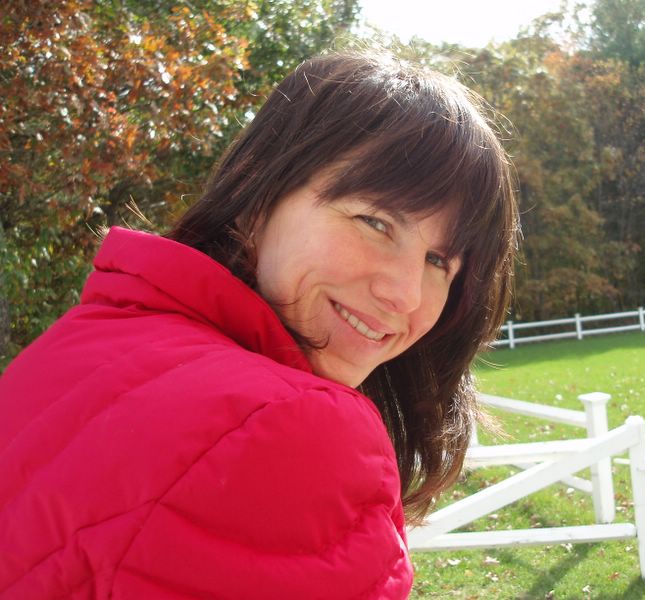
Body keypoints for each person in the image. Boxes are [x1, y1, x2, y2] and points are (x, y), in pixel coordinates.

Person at [0, 52, 518, 599]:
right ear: (257, 197)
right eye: (375, 222)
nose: (406, 294)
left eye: (439, 261)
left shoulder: (85, 341)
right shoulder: (289, 427)